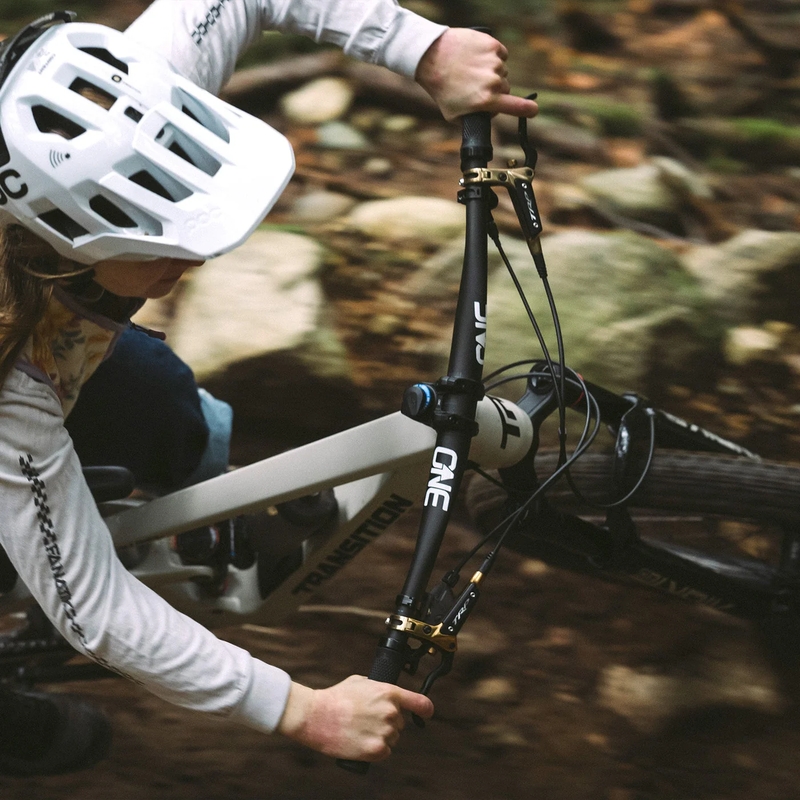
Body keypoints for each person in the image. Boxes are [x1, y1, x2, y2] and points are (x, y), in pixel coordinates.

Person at [0, 0, 538, 777]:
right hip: (19, 374)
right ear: (59, 239)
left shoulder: (113, 117)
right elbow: (92, 604)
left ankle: (203, 516)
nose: (194, 261)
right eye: (158, 244)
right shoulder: (11, 396)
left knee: (159, 394)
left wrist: (426, 50)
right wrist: (300, 709)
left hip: (45, 333)